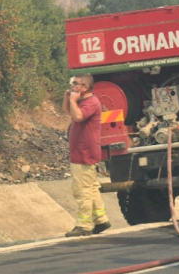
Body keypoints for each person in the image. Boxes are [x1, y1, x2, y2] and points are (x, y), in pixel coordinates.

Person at [63, 73, 111, 237]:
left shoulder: (91, 102)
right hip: (80, 151)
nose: (73, 86)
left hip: (85, 153)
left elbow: (78, 116)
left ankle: (83, 225)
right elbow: (69, 111)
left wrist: (73, 100)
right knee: (91, 188)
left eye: (76, 84)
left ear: (85, 87)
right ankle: (101, 219)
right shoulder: (82, 101)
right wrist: (68, 98)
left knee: (82, 190)